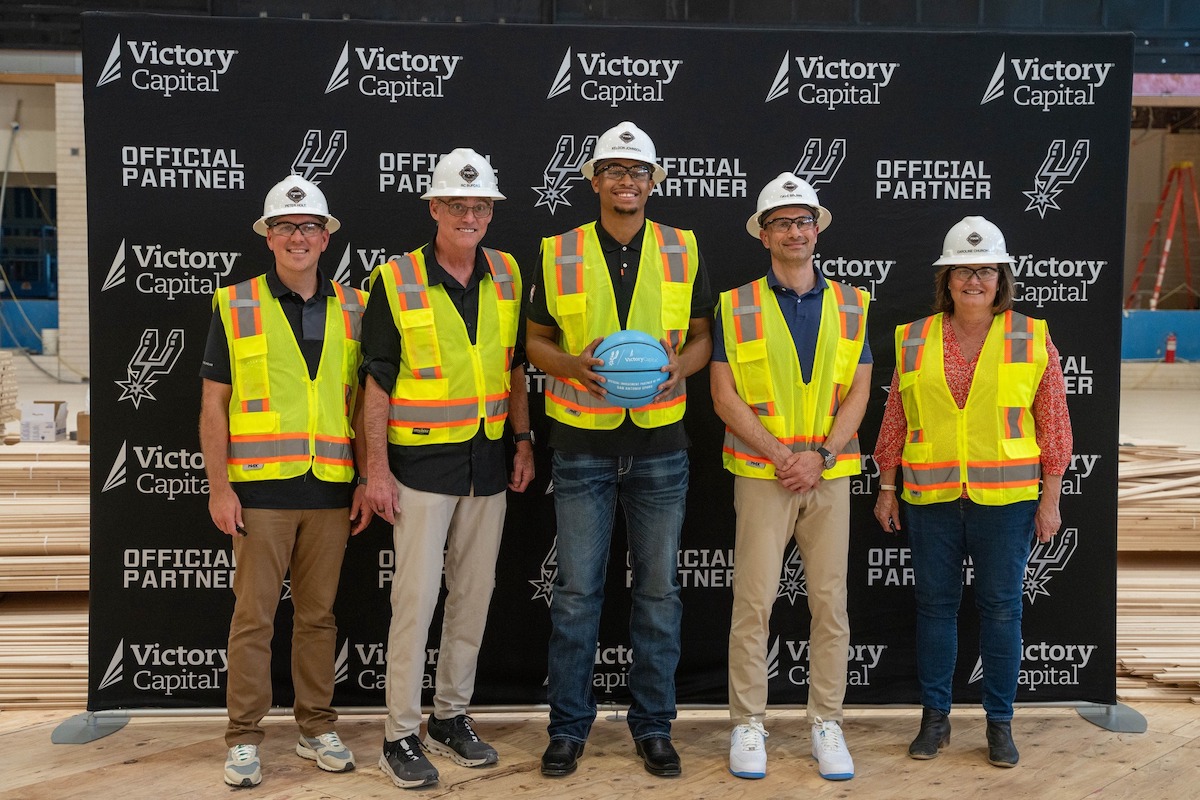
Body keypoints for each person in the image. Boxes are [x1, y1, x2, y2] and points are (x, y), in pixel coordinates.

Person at [525, 120, 713, 779]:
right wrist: (571, 366)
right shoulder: (559, 249)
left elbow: (700, 338)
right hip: (581, 446)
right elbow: (536, 342)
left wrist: (679, 369)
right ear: (594, 180)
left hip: (662, 445)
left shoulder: (684, 248)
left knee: (658, 594)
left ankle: (654, 727)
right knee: (577, 593)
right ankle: (568, 729)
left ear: (654, 181)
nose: (626, 181)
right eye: (613, 171)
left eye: (638, 172)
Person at [359, 148, 535, 790]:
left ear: (490, 212)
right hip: (420, 467)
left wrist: (523, 439)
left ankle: (450, 716)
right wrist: (374, 472)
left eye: (480, 206)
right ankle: (399, 732)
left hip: (488, 463)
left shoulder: (509, 274)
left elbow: (514, 366)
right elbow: (375, 385)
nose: (469, 215)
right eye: (457, 205)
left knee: (473, 596)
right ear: (433, 207)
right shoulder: (396, 279)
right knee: (415, 600)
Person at [872, 215, 1072, 768]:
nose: (974, 280)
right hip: (931, 499)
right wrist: (887, 485)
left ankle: (999, 724)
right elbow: (896, 416)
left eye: (985, 270)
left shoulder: (1031, 335)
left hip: (1006, 502)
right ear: (947, 278)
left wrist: (1050, 496)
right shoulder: (913, 337)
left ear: (1001, 277)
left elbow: (1052, 421)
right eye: (963, 270)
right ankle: (935, 720)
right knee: (935, 608)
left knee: (1003, 609)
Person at [200, 174, 371, 788]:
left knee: (319, 618)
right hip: (260, 492)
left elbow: (359, 405)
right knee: (253, 618)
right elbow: (213, 405)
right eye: (285, 227)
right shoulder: (236, 303)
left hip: (329, 486)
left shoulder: (356, 307)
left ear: (327, 238)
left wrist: (363, 479)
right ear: (268, 237)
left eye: (309, 227)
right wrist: (220, 488)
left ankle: (315, 727)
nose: (297, 237)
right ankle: (244, 737)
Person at [710, 173, 871, 782]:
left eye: (803, 220)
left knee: (831, 604)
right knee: (753, 602)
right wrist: (783, 455)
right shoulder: (736, 304)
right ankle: (747, 723)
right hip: (762, 473)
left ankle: (826, 721)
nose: (794, 231)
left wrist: (822, 457)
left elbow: (859, 390)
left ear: (816, 229)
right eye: (782, 222)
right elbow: (724, 396)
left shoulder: (853, 303)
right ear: (764, 235)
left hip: (827, 476)